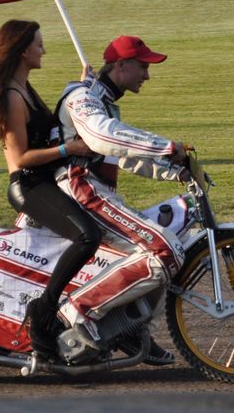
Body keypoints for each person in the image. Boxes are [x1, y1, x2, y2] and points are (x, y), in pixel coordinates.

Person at [54, 35, 188, 365]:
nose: (147, 75)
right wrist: (164, 146)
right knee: (164, 250)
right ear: (121, 65)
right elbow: (104, 135)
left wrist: (176, 171)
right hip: (78, 187)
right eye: (143, 67)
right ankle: (78, 309)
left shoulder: (106, 100)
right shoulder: (82, 96)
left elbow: (123, 155)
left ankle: (128, 330)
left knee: (171, 240)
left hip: (95, 190)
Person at [0, 20, 101, 355]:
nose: (44, 49)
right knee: (88, 236)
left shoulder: (24, 87)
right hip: (29, 185)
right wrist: (68, 150)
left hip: (45, 179)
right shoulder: (13, 97)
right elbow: (22, 157)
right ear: (23, 50)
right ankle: (42, 311)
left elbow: (55, 122)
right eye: (39, 44)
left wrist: (83, 85)